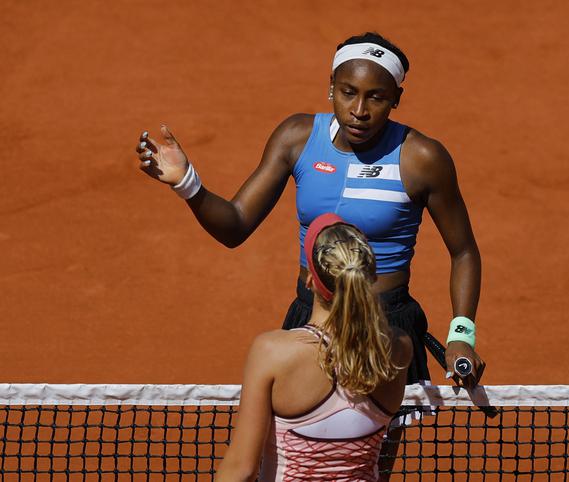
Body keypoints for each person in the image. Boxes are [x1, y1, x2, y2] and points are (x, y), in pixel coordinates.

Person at [135, 32, 484, 388]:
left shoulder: (423, 158)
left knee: (374, 444)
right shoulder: (297, 137)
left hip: (386, 325)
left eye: (376, 97)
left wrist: (462, 333)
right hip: (313, 316)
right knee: (297, 437)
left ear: (396, 98)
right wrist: (186, 183)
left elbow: (464, 251)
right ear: (331, 87)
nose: (359, 111)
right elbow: (235, 226)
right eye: (348, 92)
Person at [215, 214, 413, 481]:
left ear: (309, 280)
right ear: (371, 278)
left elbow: (241, 470)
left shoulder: (273, 353)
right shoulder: (399, 347)